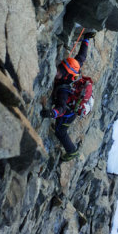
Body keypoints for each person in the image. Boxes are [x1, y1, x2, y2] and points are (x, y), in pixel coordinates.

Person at [41, 31, 96, 161]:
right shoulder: (74, 70)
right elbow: (81, 56)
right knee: (61, 129)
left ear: (67, 76)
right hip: (71, 108)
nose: (57, 72)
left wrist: (52, 113)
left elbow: (61, 108)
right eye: (59, 67)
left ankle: (72, 152)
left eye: (61, 71)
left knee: (60, 132)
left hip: (68, 114)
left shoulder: (64, 90)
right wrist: (86, 39)